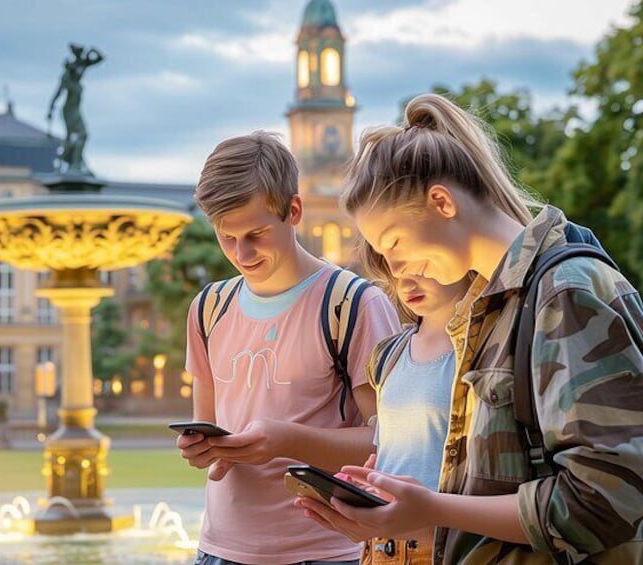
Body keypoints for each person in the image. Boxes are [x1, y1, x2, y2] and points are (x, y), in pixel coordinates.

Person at [296, 92, 643, 564]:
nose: (394, 267)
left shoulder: (564, 290)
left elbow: (603, 501)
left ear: (441, 201)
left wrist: (434, 508)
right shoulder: (488, 310)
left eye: (393, 241)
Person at [177, 131, 401, 565]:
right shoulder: (207, 308)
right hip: (218, 550)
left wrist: (287, 441)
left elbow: (391, 443)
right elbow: (208, 428)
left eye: (256, 233)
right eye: (227, 237)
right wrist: (201, 449)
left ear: (293, 210)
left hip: (327, 553)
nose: (242, 253)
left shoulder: (354, 304)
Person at [353, 240, 472, 565]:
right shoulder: (388, 354)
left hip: (446, 549)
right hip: (380, 550)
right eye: (394, 267)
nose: (405, 281)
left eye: (417, 264)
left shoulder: (482, 351)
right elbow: (393, 454)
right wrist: (367, 483)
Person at [46, 43, 104, 175]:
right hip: (69, 110)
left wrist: (93, 49)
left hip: (75, 109)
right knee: (80, 135)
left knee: (74, 137)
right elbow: (58, 93)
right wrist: (50, 109)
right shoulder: (67, 76)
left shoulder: (80, 66)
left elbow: (100, 58)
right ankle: (74, 164)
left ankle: (69, 163)